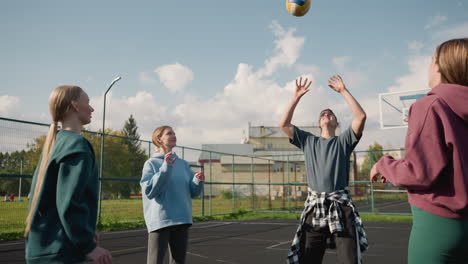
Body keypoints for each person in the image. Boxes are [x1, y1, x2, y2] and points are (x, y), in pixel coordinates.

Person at [370, 38, 468, 263]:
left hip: (440, 226)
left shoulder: (431, 106)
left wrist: (383, 164)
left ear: (439, 66)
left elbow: (419, 173)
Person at [280, 76, 368, 264]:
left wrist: (343, 90)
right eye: (323, 114)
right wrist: (295, 97)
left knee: (349, 260)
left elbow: (360, 117)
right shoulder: (308, 141)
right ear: (319, 123)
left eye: (331, 114)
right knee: (307, 259)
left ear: (337, 123)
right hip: (315, 207)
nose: (326, 114)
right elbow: (284, 124)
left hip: (340, 207)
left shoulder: (344, 142)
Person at [24, 85, 112, 264]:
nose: (92, 108)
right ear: (75, 106)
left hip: (42, 249)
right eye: (87, 102)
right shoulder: (76, 145)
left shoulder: (56, 143)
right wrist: (88, 245)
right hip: (62, 253)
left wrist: (86, 229)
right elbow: (70, 202)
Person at [141, 125, 205, 264]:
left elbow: (193, 192)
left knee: (178, 261)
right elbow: (150, 192)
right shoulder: (151, 163)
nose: (174, 135)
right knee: (154, 261)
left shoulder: (182, 164)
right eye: (169, 133)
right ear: (159, 139)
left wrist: (197, 181)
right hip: (161, 220)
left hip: (182, 218)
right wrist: (166, 167)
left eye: (174, 133)